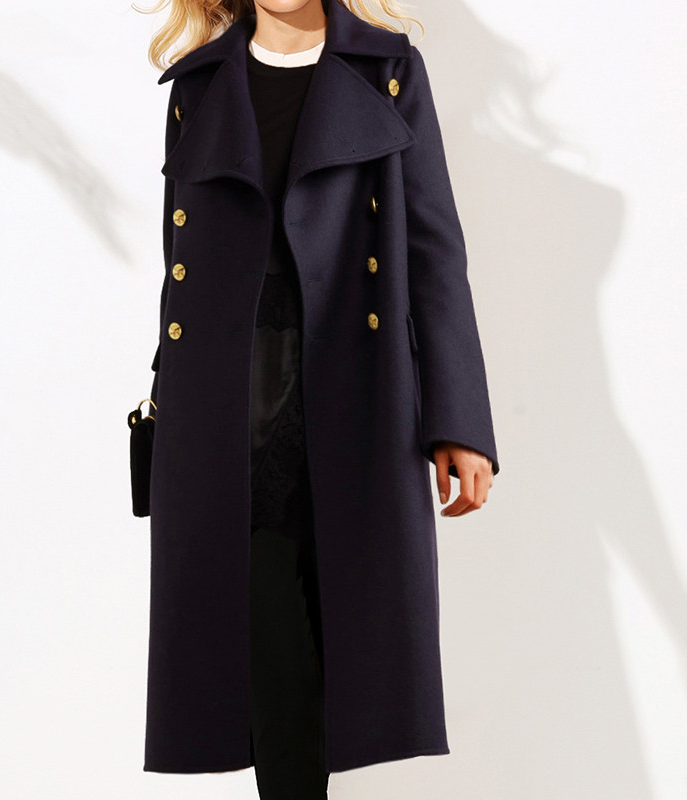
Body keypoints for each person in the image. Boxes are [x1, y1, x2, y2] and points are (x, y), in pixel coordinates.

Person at [140, 0, 499, 792]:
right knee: (271, 655)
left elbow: (435, 249)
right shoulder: (198, 83)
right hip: (227, 408)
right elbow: (180, 270)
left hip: (354, 389)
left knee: (334, 651)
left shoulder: (388, 70)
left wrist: (460, 421)